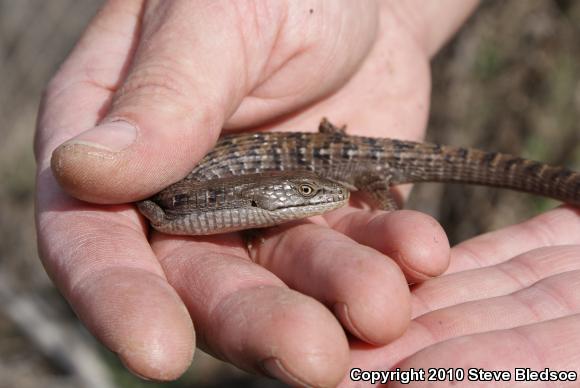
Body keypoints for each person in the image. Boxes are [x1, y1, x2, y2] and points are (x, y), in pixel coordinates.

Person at [35, 1, 580, 386]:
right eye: (302, 194)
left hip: (319, 150)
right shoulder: (177, 198)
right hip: (282, 162)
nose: (329, 196)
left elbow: (316, 182)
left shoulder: (285, 184)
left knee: (363, 179)